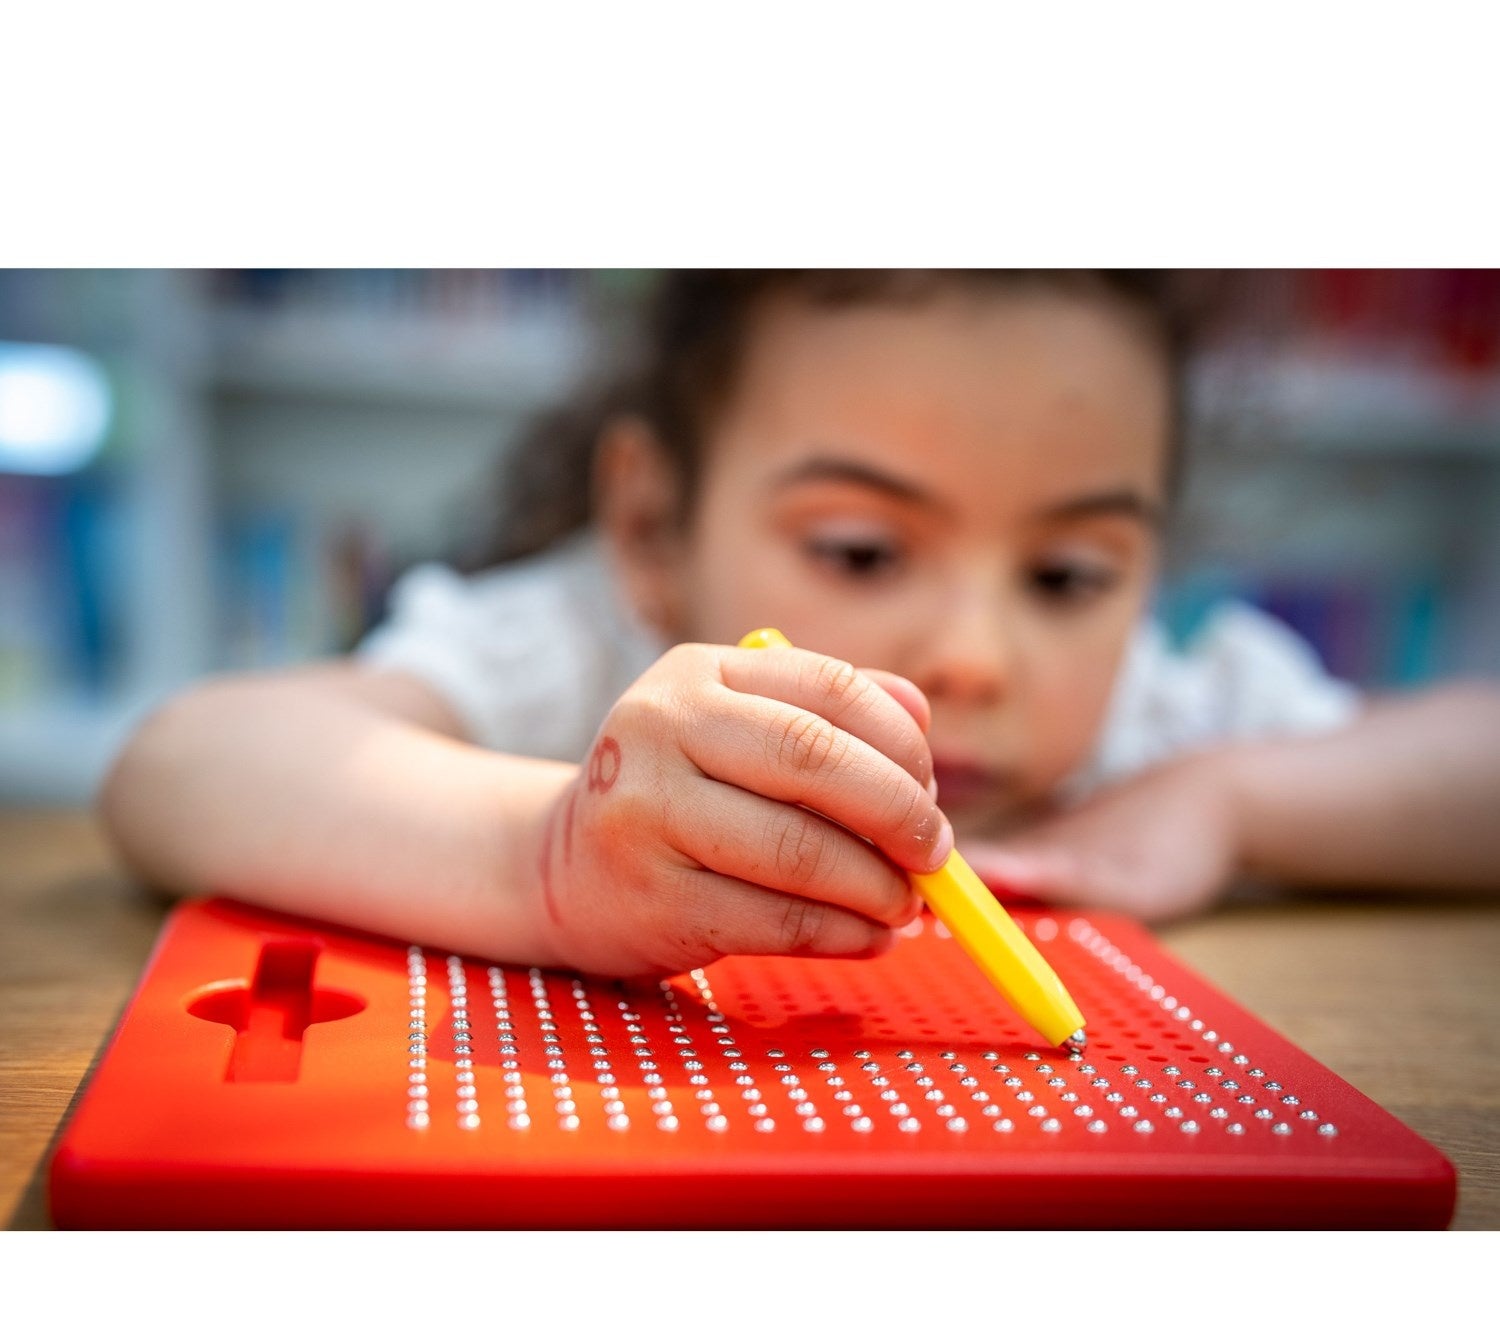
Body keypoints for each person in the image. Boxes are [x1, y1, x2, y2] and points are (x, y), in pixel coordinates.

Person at [99, 270, 1500, 974]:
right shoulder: (574, 651)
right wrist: (545, 855)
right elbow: (179, 763)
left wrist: (1236, 802)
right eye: (860, 548)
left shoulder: (1145, 718)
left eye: (1070, 575)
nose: (978, 656)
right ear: (652, 529)